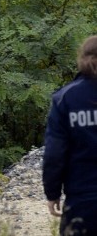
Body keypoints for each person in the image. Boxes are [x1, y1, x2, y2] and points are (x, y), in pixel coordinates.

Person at [43, 35, 97, 235]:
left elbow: (54, 153)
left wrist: (52, 193)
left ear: (81, 58)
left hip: (81, 198)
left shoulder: (65, 98)